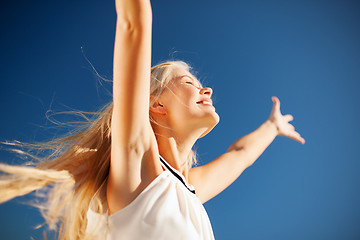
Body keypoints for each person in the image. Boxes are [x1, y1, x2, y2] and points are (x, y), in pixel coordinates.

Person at [0, 0, 305, 239]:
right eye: (189, 82)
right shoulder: (139, 166)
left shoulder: (190, 189)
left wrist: (272, 127)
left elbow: (240, 155)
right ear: (156, 104)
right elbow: (134, 26)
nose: (206, 89)